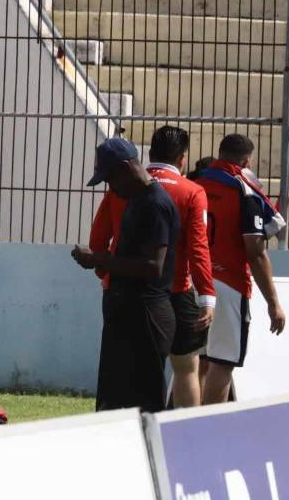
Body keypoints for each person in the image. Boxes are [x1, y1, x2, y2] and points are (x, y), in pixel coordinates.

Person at [87, 126, 214, 407]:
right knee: (185, 369)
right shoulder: (191, 191)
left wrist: (104, 269)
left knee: (124, 374)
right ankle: (185, 434)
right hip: (176, 289)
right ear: (183, 158)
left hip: (126, 292)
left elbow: (98, 238)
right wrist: (206, 295)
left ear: (150, 153)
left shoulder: (123, 187)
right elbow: (198, 247)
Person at [73, 138, 178, 413]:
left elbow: (153, 266)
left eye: (110, 179)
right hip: (129, 311)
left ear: (126, 168)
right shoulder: (136, 199)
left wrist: (100, 260)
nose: (111, 187)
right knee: (115, 400)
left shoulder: (154, 204)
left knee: (143, 404)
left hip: (146, 314)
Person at [193, 134, 287, 404]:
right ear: (247, 160)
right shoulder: (244, 190)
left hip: (192, 281)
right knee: (222, 362)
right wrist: (273, 303)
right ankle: (209, 429)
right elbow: (256, 252)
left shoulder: (195, 183)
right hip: (228, 283)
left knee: (198, 359)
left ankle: (186, 426)